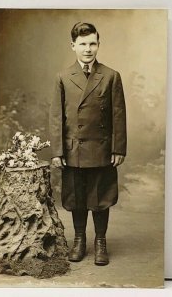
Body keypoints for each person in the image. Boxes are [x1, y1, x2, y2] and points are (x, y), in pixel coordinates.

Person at [49, 22, 127, 266]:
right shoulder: (62, 77)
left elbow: (118, 115)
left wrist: (118, 148)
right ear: (73, 46)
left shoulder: (111, 76)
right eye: (82, 44)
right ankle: (80, 239)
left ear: (98, 45)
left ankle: (100, 241)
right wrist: (58, 151)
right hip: (74, 150)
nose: (88, 49)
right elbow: (56, 117)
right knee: (77, 197)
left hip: (102, 149)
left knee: (100, 197)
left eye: (92, 43)